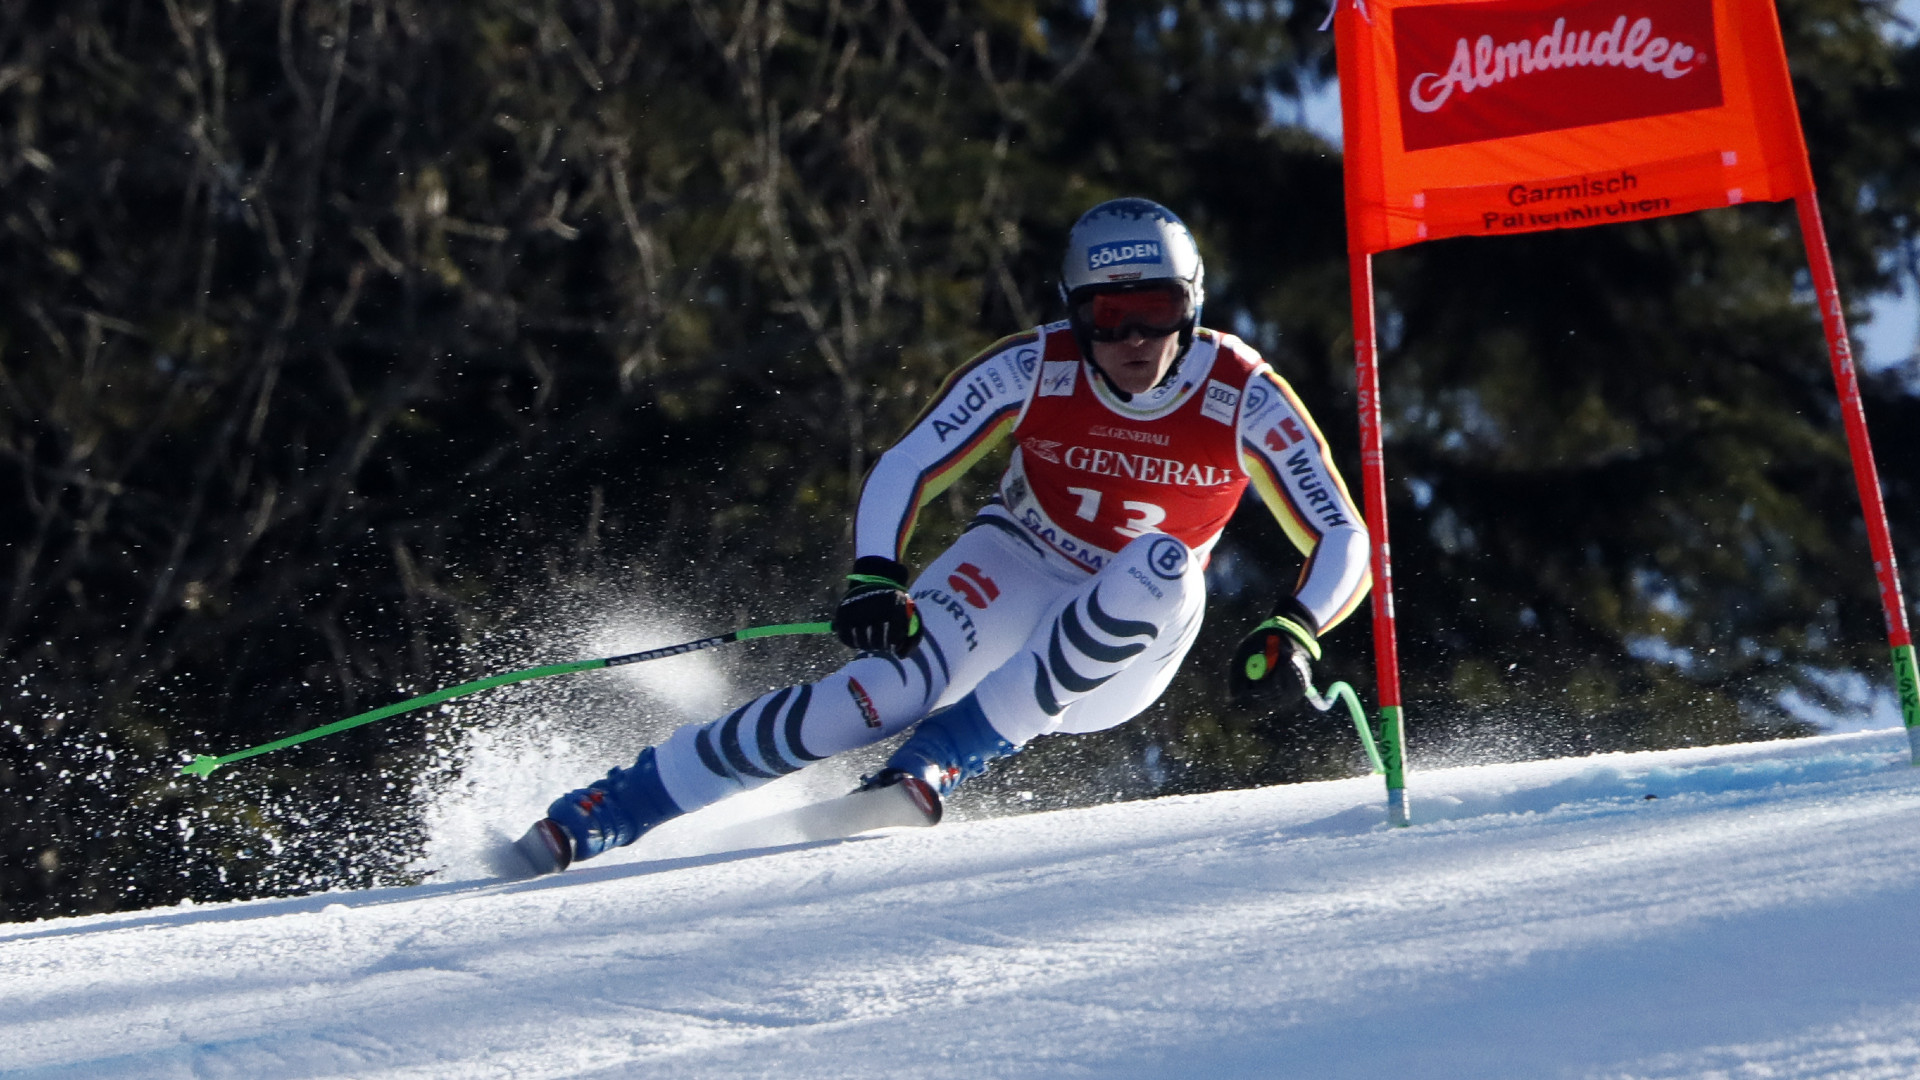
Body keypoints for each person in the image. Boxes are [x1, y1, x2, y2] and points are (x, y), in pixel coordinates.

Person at [514, 197, 1371, 873]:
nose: (1135, 339)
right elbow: (910, 462)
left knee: (1161, 563)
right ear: (1074, 312)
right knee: (875, 694)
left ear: (1193, 304)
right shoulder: (1035, 365)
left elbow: (1344, 535)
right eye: (1109, 315)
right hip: (1016, 562)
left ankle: (941, 757)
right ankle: (612, 808)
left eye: (1157, 309)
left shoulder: (1241, 391)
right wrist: (876, 576)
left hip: (1128, 643)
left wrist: (1295, 626)